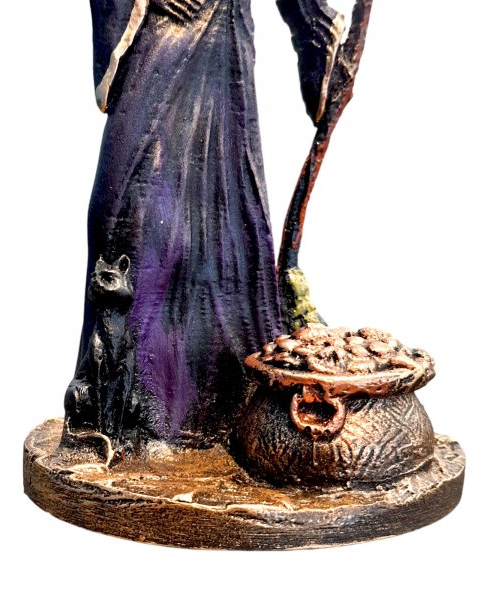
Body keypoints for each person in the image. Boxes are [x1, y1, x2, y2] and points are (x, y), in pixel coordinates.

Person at [65, 0, 343, 446]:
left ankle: (223, 410)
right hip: (159, 32)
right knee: (125, 219)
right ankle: (125, 415)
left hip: (222, 37)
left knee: (220, 228)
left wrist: (315, 30)